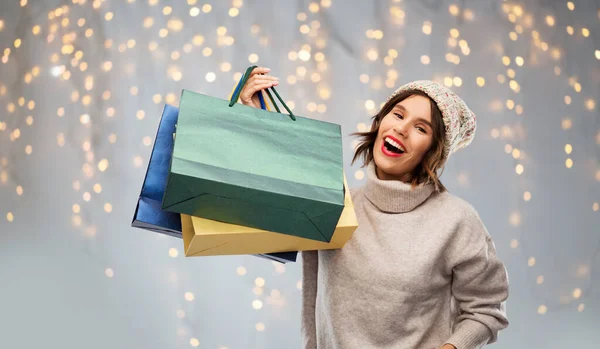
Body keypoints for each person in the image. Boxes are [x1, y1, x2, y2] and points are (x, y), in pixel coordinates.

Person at [238, 67, 509, 349]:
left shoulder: (457, 220)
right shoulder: (334, 205)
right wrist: (254, 123)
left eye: (420, 128)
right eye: (398, 114)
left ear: (434, 150)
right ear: (380, 122)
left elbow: (486, 310)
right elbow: (263, 213)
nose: (401, 129)